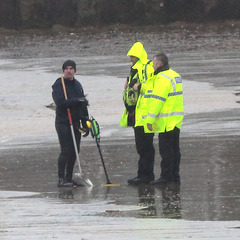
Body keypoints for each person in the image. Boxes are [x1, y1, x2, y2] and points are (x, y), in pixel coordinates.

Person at [144, 53, 184, 184]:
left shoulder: (161, 78)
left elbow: (157, 101)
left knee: (166, 151)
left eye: (154, 63)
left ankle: (166, 177)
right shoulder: (175, 76)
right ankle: (175, 176)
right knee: (175, 150)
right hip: (176, 120)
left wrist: (149, 120)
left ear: (159, 64)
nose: (153, 66)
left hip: (166, 121)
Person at [119, 42, 155, 185]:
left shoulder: (144, 68)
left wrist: (137, 86)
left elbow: (150, 86)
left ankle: (146, 175)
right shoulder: (137, 69)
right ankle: (143, 174)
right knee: (142, 146)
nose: (131, 58)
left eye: (133, 56)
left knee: (144, 146)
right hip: (136, 112)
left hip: (143, 113)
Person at [52, 60, 89, 187]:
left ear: (75, 70)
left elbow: (83, 105)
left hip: (75, 121)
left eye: (71, 68)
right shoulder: (59, 84)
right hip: (63, 122)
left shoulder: (77, 85)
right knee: (66, 150)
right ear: (63, 70)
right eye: (66, 68)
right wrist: (76, 101)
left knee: (75, 150)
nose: (69, 70)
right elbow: (60, 103)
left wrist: (85, 122)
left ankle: (69, 176)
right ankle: (61, 178)